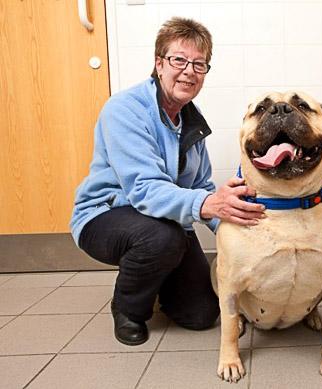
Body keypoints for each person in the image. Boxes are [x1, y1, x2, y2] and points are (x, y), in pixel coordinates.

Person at [70, 17, 265, 346]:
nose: (189, 71)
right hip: (106, 216)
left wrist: (242, 226)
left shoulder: (192, 121)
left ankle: (156, 275)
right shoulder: (125, 110)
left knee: (202, 314)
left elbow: (202, 187)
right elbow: (144, 190)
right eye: (179, 60)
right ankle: (128, 308)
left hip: (166, 224)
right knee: (161, 239)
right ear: (159, 64)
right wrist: (206, 204)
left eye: (199, 64)